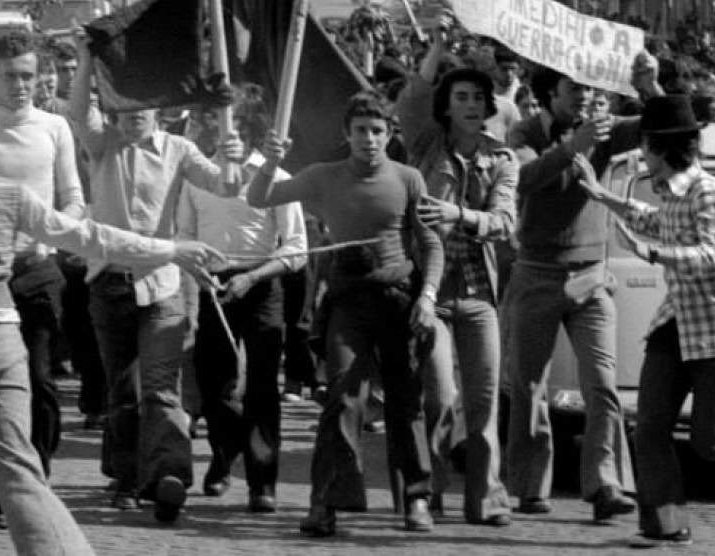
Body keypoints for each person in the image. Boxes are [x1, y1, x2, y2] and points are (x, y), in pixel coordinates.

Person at [0, 81, 225, 556]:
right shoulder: (11, 194)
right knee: (19, 469)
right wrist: (169, 249)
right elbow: (87, 236)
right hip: (1, 338)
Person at [573, 95, 715, 546]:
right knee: (649, 428)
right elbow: (657, 220)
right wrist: (604, 197)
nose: (641, 156)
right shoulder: (672, 193)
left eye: (645, 146)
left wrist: (652, 253)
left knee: (711, 444)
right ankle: (666, 525)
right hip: (675, 325)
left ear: (663, 148)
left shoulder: (707, 191)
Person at [248, 91, 443, 537]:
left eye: (377, 131)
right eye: (360, 131)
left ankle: (416, 498)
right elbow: (260, 197)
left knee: (405, 400)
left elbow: (430, 244)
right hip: (348, 302)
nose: (369, 139)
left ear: (389, 134)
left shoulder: (409, 179)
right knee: (342, 397)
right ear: (347, 134)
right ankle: (326, 503)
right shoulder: (323, 176)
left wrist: (428, 297)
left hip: (400, 300)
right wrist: (270, 162)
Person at [68, 39, 247, 523]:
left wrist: (231, 154)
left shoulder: (179, 150)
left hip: (163, 284)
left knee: (162, 387)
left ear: (160, 109)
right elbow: (76, 112)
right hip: (110, 284)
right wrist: (86, 59)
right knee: (123, 392)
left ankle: (169, 475)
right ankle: (126, 477)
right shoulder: (102, 145)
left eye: (142, 106)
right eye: (123, 107)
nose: (133, 116)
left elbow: (226, 185)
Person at [502, 57, 661, 521]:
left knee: (602, 384)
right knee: (529, 385)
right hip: (537, 272)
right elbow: (525, 179)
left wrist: (649, 86)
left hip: (592, 275)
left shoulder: (606, 130)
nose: (586, 96)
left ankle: (606, 484)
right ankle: (530, 486)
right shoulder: (524, 133)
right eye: (575, 88)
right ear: (550, 94)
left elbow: (661, 126)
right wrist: (575, 146)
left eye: (592, 88)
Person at [398, 29, 518, 526]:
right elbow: (412, 98)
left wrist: (461, 216)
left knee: (485, 402)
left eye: (477, 98)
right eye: (461, 97)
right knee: (441, 397)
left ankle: (486, 500)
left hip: (479, 294)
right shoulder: (426, 144)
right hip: (430, 292)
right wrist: (437, 47)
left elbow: (505, 222)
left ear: (489, 106)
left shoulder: (503, 159)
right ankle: (429, 495)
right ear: (446, 107)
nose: (470, 105)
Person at [0, 32, 86, 528]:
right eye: (11, 76)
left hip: (38, 272)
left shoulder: (54, 127)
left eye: (28, 76)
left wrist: (55, 234)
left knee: (38, 379)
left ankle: (35, 478)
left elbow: (73, 197)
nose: (21, 85)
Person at [176, 93, 307, 512]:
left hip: (261, 283)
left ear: (247, 129)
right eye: (211, 122)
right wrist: (197, 268)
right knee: (214, 382)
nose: (216, 131)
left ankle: (262, 481)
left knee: (263, 386)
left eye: (227, 124)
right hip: (213, 284)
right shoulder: (197, 178)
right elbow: (183, 233)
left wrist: (253, 277)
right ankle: (224, 452)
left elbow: (297, 248)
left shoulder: (276, 178)